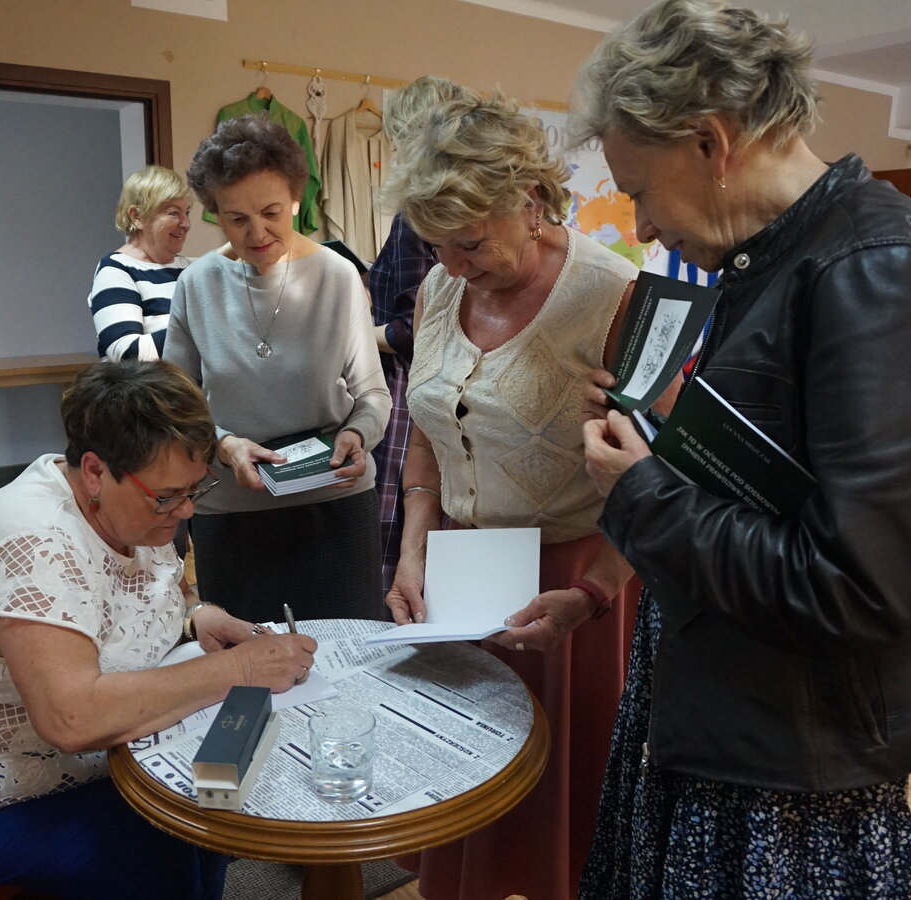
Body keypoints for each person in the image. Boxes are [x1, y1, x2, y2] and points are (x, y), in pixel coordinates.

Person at [570, 2, 911, 897]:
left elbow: (854, 587)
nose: (642, 225)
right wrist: (668, 429)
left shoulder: (871, 268)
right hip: (741, 720)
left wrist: (639, 491)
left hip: (787, 775)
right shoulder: (780, 257)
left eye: (638, 190)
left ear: (710, 143)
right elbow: (787, 468)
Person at [0, 360, 317, 900]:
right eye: (169, 495)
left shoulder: (121, 507)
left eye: (196, 488)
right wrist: (239, 668)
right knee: (165, 833)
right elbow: (72, 719)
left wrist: (197, 617)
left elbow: (140, 592)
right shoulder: (38, 543)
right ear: (95, 471)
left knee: (205, 807)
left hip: (64, 759)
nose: (186, 509)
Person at [380, 92, 646, 900]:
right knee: (465, 784)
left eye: (469, 243)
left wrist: (593, 592)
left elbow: (664, 476)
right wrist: (414, 552)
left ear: (531, 202)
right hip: (462, 571)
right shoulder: (439, 289)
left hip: (575, 577)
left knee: (564, 800)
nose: (454, 267)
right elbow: (427, 430)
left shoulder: (614, 295)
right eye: (436, 247)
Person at [164, 114, 391, 624]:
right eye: (236, 219)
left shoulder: (337, 276)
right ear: (214, 214)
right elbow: (174, 407)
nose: (258, 233)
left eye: (270, 212)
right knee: (244, 659)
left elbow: (373, 394)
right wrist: (224, 445)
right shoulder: (197, 284)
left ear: (295, 198)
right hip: (231, 513)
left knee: (348, 654)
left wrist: (358, 435)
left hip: (334, 505)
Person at [368, 75, 474, 594]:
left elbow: (415, 330)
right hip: (440, 391)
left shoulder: (417, 216)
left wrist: (359, 336)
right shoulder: (449, 211)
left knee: (406, 538)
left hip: (415, 393)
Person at [88, 165, 192, 362]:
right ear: (137, 217)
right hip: (151, 384)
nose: (186, 223)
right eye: (173, 213)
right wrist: (200, 327)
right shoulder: (116, 270)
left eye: (187, 212)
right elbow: (128, 355)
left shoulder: (188, 269)